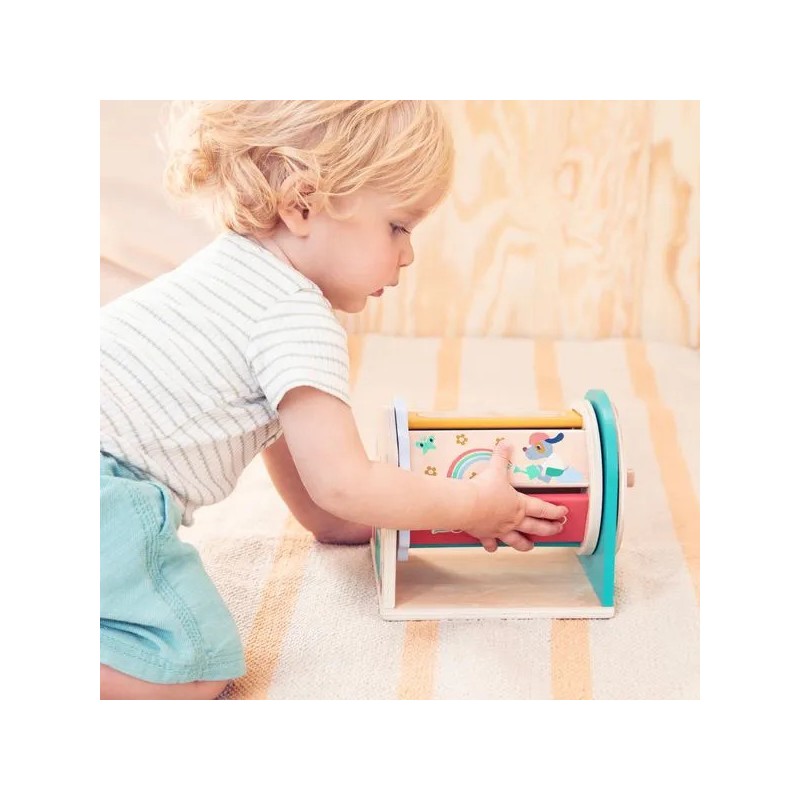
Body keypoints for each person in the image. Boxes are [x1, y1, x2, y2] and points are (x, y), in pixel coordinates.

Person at [100, 101, 568, 700]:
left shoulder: (227, 271)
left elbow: (325, 504)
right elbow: (343, 484)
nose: (408, 254)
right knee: (195, 665)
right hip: (102, 491)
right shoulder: (295, 315)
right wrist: (472, 507)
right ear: (302, 205)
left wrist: (370, 517)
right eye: (398, 227)